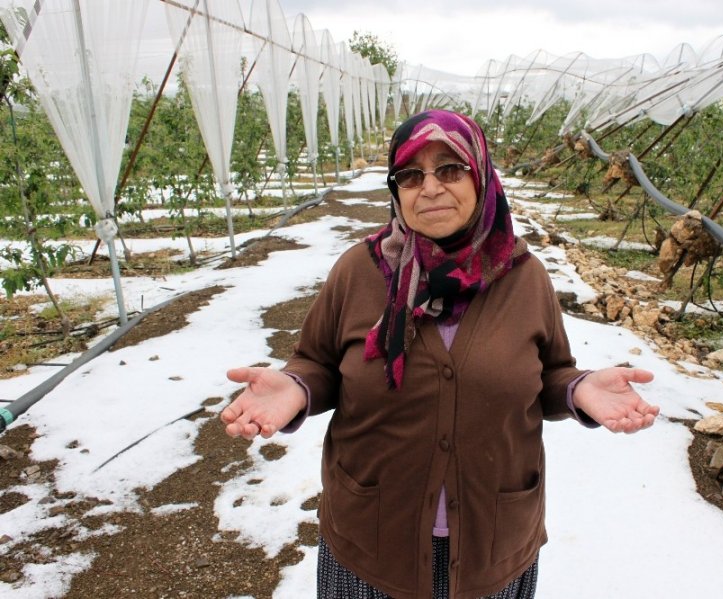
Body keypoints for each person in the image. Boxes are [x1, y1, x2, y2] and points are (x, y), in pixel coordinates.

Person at [222, 109, 660, 599]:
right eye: (411, 174)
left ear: (481, 175)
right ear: (397, 190)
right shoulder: (358, 272)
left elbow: (550, 373)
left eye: (450, 169)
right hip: (371, 544)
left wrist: (579, 389)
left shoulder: (524, 277)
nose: (429, 187)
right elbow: (319, 363)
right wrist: (296, 386)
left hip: (492, 546)